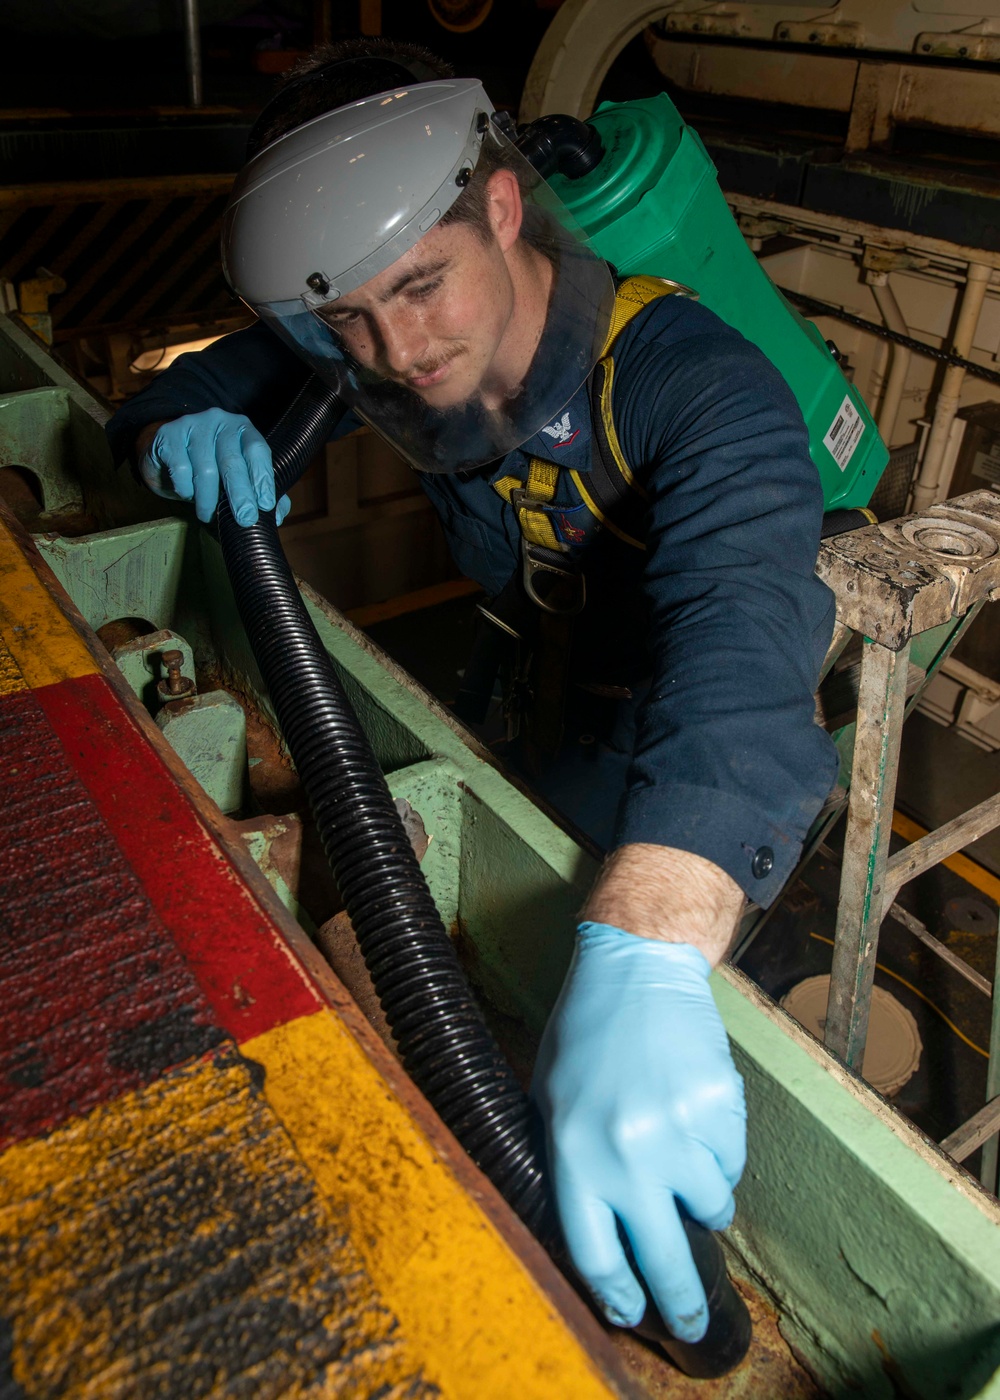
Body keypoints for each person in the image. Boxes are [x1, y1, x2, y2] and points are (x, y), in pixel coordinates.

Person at [107, 38, 839, 1347]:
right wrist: (168, 422)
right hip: (533, 707)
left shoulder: (696, 383)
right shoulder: (385, 350)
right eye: (347, 320)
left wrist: (655, 944)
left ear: (499, 208)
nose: (394, 349)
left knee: (681, 1034)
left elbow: (746, 630)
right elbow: (219, 380)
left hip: (688, 753)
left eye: (420, 287)